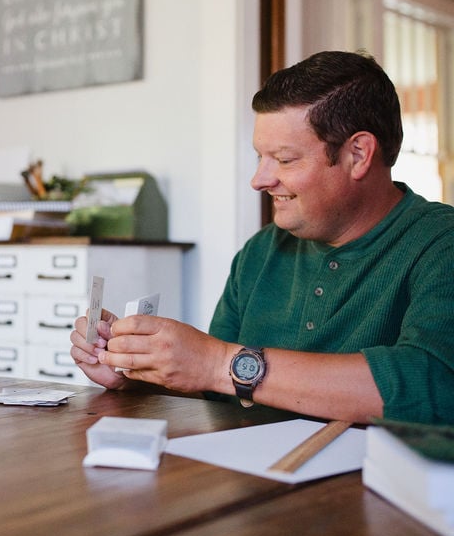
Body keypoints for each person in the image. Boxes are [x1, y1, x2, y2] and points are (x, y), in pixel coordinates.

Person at [70, 50, 454, 425]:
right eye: (260, 157)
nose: (260, 180)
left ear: (358, 154)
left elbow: (434, 384)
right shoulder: (260, 251)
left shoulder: (441, 243)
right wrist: (134, 374)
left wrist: (219, 362)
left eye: (285, 160)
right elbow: (215, 389)